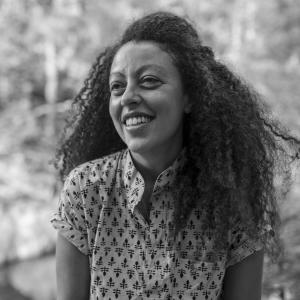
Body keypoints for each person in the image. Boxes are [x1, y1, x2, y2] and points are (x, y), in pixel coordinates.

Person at [51, 11, 300, 300]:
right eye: (117, 86)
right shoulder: (85, 190)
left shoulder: (233, 202)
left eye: (149, 81)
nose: (128, 96)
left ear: (189, 97)